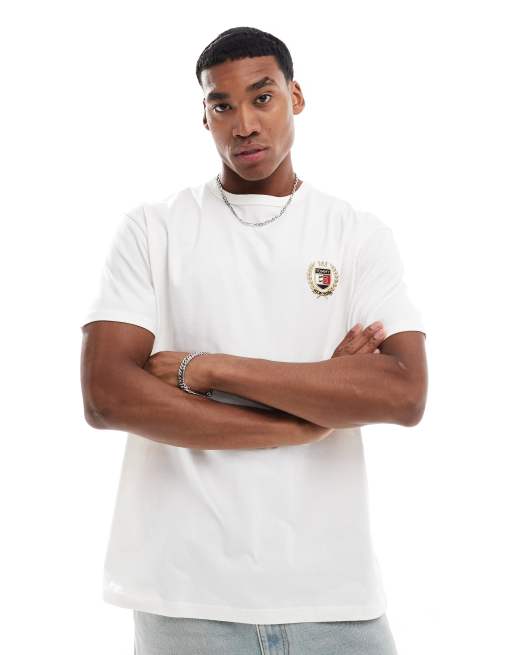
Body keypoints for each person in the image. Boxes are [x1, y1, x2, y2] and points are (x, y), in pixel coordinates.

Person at [80, 26, 428, 655]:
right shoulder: (154, 230)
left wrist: (209, 368)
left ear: (296, 97)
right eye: (222, 105)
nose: (243, 124)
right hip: (186, 602)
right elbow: (107, 396)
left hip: (333, 598)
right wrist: (304, 418)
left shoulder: (356, 235)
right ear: (204, 116)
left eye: (262, 97)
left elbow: (404, 393)